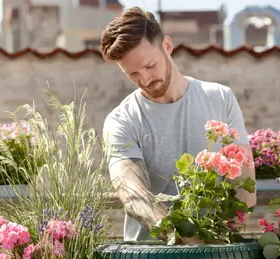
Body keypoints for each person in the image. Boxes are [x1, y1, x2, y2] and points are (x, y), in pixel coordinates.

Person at [100, 6, 256, 244]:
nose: (145, 80)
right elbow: (132, 193)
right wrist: (187, 240)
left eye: (150, 65)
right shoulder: (121, 120)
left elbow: (245, 185)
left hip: (217, 258)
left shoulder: (221, 98)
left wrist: (220, 242)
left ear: (167, 46)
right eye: (132, 74)